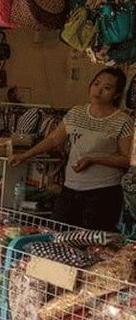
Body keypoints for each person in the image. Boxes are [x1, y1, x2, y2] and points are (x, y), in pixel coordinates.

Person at [10, 68, 133, 231]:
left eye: (107, 88)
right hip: (70, 190)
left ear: (116, 94)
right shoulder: (76, 113)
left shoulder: (123, 121)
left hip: (103, 193)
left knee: (91, 244)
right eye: (96, 84)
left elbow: (127, 160)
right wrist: (25, 155)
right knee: (58, 234)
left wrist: (94, 159)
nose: (99, 90)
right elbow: (53, 139)